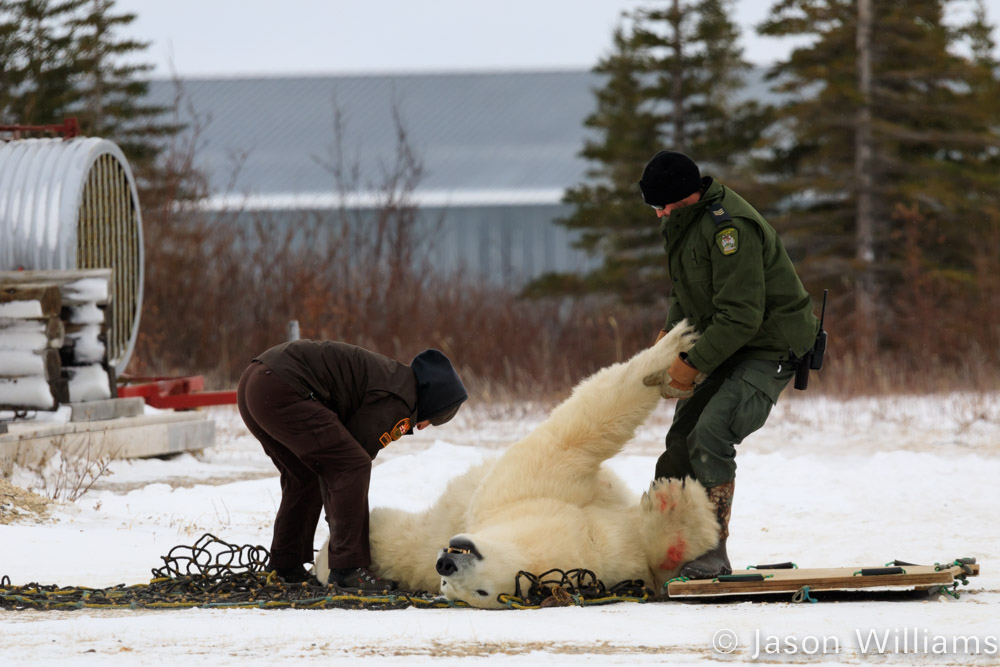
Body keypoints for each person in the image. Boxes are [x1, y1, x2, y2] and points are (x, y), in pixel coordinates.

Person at [638, 151, 820, 579]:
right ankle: (659, 542)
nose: (659, 214)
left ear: (687, 195)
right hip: (726, 340)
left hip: (768, 346)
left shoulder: (729, 228)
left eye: (662, 205)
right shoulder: (682, 223)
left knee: (712, 432)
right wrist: (669, 342)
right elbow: (685, 291)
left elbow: (742, 315)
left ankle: (710, 551)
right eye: (653, 207)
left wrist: (691, 364)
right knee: (680, 441)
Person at [237, 339, 467, 592]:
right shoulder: (399, 399)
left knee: (305, 476)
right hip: (282, 387)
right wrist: (342, 531)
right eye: (430, 421)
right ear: (432, 403)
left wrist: (339, 513)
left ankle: (285, 565)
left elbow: (333, 467)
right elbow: (347, 468)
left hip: (257, 383)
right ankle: (348, 570)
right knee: (352, 465)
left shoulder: (395, 380)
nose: (421, 427)